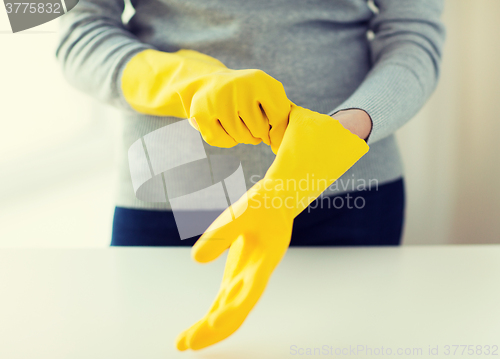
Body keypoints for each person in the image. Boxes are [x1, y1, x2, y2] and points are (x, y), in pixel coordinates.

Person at [56, 0, 445, 349]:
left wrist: (337, 137)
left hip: (343, 186)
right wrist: (187, 84)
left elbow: (413, 33)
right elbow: (78, 33)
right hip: (173, 186)